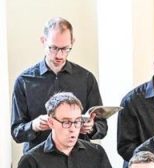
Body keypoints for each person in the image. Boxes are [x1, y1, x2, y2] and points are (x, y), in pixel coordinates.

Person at [11, 17, 106, 152]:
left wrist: (91, 127)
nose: (59, 55)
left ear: (72, 42)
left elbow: (102, 126)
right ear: (43, 41)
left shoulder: (86, 78)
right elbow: (16, 132)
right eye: (54, 48)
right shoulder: (24, 81)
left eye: (65, 49)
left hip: (78, 158)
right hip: (38, 160)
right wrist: (34, 125)